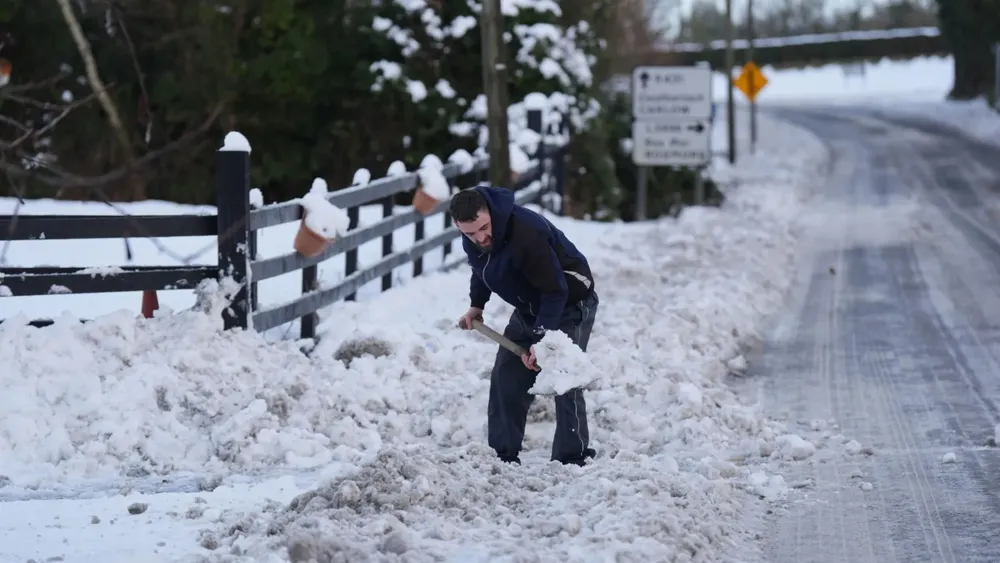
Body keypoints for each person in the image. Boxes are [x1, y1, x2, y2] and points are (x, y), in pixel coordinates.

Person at [451, 185, 599, 467]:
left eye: (484, 227)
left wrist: (543, 342)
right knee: (506, 375)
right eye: (470, 233)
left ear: (491, 213)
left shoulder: (526, 232)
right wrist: (477, 305)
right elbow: (481, 270)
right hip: (529, 305)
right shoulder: (473, 237)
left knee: (563, 375)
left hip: (569, 300)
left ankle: (572, 457)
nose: (480, 238)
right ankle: (502, 455)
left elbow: (555, 291)